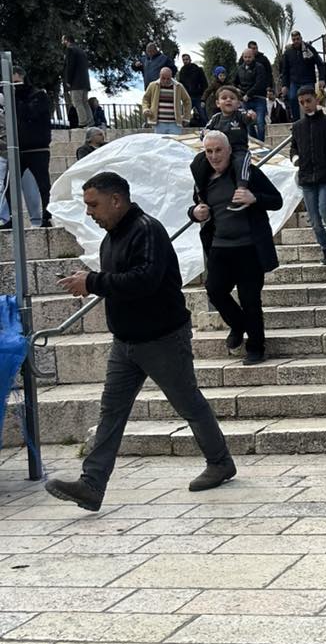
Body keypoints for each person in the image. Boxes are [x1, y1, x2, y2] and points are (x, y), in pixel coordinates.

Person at [46, 171, 236, 511]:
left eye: (94, 205)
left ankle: (220, 461)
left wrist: (93, 281)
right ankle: (92, 484)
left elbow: (144, 280)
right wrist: (96, 282)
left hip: (162, 338)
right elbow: (118, 282)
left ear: (116, 200)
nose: (89, 212)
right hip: (126, 342)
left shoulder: (147, 230)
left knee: (188, 403)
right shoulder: (111, 239)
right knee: (111, 411)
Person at [190, 131, 282, 366]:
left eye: (218, 150)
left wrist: (254, 198)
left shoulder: (247, 173)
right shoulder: (203, 178)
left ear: (229, 150)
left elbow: (276, 200)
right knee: (214, 290)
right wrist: (194, 213)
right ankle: (238, 324)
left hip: (249, 247)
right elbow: (196, 206)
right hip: (220, 246)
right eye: (208, 151)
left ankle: (256, 347)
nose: (213, 156)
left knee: (250, 298)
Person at [292, 85, 326, 266]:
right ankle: (325, 249)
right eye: (302, 102)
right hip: (306, 177)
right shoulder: (298, 126)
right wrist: (295, 158)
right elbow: (294, 146)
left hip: (325, 175)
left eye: (308, 101)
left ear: (316, 99)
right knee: (314, 218)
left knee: (324, 210)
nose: (306, 105)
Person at [194, 84, 254, 211]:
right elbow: (205, 131)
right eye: (224, 98)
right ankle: (200, 194)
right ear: (217, 103)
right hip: (220, 151)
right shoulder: (216, 118)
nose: (228, 100)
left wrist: (251, 116)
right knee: (198, 162)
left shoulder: (239, 114)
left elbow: (248, 118)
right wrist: (204, 133)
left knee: (241, 162)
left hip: (238, 149)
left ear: (238, 103)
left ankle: (241, 191)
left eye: (232, 98)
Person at [9, 66, 53, 227]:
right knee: (10, 186)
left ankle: (46, 217)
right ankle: (10, 218)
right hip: (19, 148)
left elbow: (30, 114)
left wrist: (18, 98)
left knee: (43, 185)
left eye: (16, 82)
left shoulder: (38, 95)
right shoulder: (11, 97)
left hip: (37, 148)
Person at [281, 30, 323, 120]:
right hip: (294, 81)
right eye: (294, 39)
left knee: (309, 99)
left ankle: (312, 118)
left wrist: (321, 79)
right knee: (292, 98)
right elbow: (285, 70)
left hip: (308, 80)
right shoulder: (288, 52)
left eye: (297, 39)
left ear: (301, 38)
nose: (296, 41)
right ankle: (297, 121)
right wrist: (284, 85)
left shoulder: (309, 49)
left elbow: (319, 63)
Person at [141, 65, 191, 135]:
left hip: (175, 123)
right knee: (160, 144)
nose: (165, 81)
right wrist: (145, 109)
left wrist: (186, 117)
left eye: (168, 78)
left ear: (171, 76)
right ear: (159, 76)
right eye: (163, 78)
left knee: (175, 143)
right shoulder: (153, 85)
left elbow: (187, 101)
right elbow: (145, 99)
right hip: (158, 123)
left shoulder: (178, 86)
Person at [235, 42, 271, 141]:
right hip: (245, 100)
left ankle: (261, 142)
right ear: (243, 57)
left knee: (260, 123)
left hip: (259, 98)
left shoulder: (260, 67)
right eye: (245, 57)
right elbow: (235, 82)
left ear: (253, 57)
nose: (247, 59)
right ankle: (256, 142)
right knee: (248, 123)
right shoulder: (240, 69)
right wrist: (238, 91)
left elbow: (260, 83)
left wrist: (248, 94)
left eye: (249, 57)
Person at [62, 33, 92, 128]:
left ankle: (83, 122)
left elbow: (70, 66)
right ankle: (90, 121)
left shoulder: (70, 50)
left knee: (77, 102)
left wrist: (68, 80)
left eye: (63, 40)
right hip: (84, 82)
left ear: (67, 40)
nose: (62, 42)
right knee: (84, 102)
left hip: (76, 82)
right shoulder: (81, 51)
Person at [177, 53, 208, 125]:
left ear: (190, 59)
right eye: (184, 60)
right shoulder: (182, 71)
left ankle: (208, 129)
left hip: (198, 96)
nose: (185, 61)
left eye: (187, 59)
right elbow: (181, 85)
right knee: (183, 114)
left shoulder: (198, 70)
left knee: (203, 115)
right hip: (188, 97)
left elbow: (204, 84)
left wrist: (203, 97)